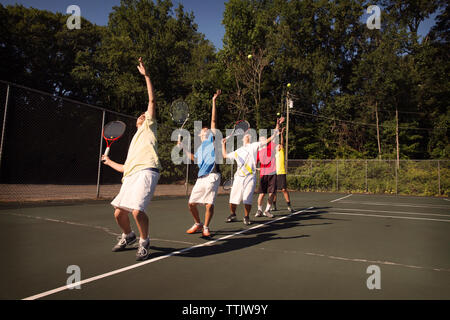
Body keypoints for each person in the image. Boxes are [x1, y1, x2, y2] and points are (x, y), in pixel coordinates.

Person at [101, 57, 160, 261]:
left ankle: (144, 242)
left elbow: (151, 101)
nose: (142, 116)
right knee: (119, 213)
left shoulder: (149, 127)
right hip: (132, 175)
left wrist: (147, 76)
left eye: (145, 115)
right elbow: (125, 168)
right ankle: (129, 235)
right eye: (140, 116)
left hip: (147, 171)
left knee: (137, 211)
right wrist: (109, 163)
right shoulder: (135, 140)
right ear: (136, 122)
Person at [222, 117, 284, 225]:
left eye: (249, 135)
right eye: (246, 135)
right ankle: (233, 214)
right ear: (242, 139)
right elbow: (225, 155)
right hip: (238, 178)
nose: (248, 135)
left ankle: (246, 216)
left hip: (250, 177)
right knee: (233, 199)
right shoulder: (238, 151)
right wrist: (223, 144)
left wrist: (276, 127)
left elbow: (270, 138)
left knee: (247, 199)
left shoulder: (254, 146)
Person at [178, 90, 222, 238]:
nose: (207, 129)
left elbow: (213, 122)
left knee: (209, 204)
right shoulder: (200, 147)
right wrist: (183, 147)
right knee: (191, 204)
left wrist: (214, 101)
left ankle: (206, 227)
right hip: (201, 177)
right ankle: (198, 224)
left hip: (212, 176)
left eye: (207, 129)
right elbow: (194, 159)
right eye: (204, 130)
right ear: (199, 134)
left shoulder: (211, 140)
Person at [273, 127, 294, 213]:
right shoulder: (274, 154)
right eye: (278, 146)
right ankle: (274, 206)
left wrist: (281, 134)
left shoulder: (281, 152)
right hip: (274, 173)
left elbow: (282, 142)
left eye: (280, 146)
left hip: (281, 173)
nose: (279, 146)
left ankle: (289, 206)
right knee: (273, 191)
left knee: (284, 190)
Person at [255, 136, 277, 218]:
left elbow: (275, 136)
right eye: (261, 139)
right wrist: (255, 168)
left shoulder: (270, 147)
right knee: (262, 194)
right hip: (263, 175)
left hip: (272, 173)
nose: (263, 140)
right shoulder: (258, 152)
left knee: (272, 193)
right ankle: (259, 210)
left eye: (264, 139)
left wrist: (278, 126)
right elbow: (253, 163)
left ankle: (267, 210)